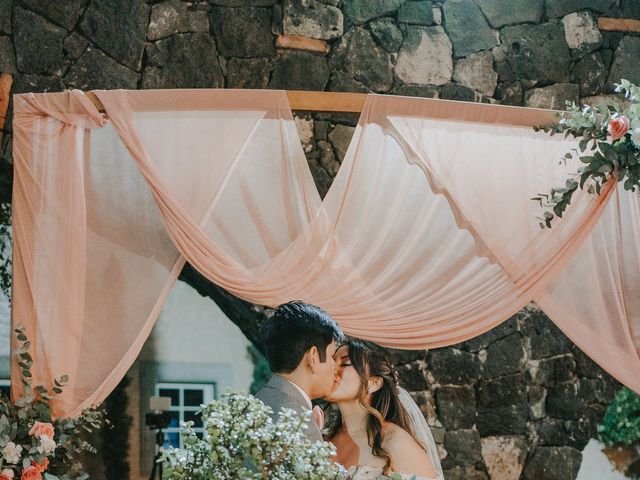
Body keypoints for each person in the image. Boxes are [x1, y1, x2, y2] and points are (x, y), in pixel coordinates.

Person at [324, 338, 444, 480]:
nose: (332, 370)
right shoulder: (322, 440)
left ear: (374, 383)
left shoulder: (395, 442)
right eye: (331, 362)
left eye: (346, 363)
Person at [255, 301, 344, 442]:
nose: (336, 366)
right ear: (313, 356)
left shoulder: (256, 403)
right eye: (332, 356)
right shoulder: (300, 424)